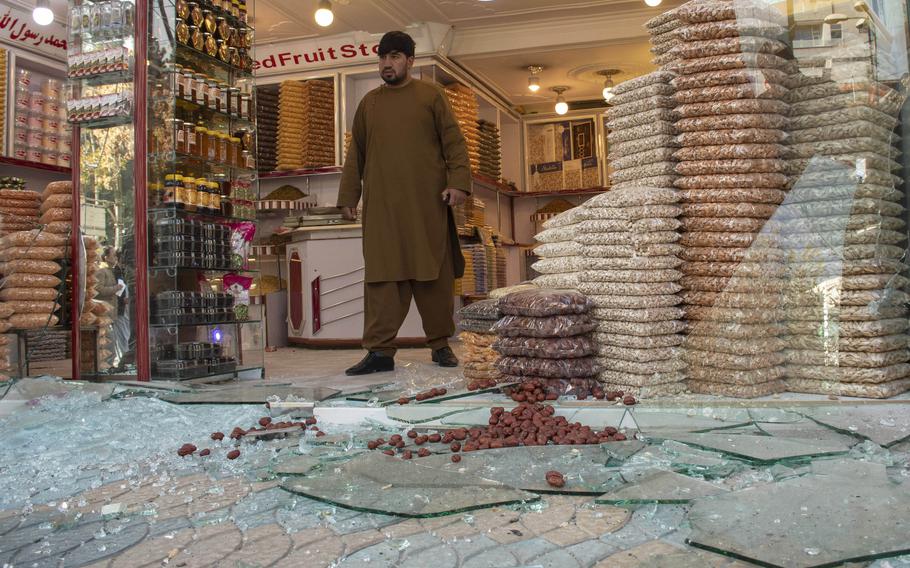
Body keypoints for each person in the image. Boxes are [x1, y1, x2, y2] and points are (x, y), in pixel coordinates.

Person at [338, 30, 472, 376]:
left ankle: (441, 344)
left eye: (395, 57)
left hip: (426, 203)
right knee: (382, 278)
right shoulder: (370, 103)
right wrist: (349, 197)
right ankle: (380, 352)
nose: (387, 64)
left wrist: (458, 184)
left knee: (433, 275)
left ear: (410, 61)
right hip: (382, 209)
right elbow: (357, 155)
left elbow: (454, 143)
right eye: (383, 57)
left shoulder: (431, 96)